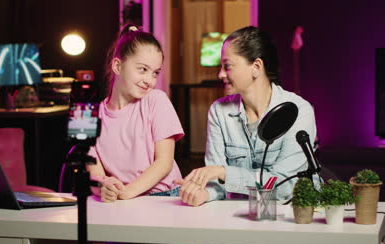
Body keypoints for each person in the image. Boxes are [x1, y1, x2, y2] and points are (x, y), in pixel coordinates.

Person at [178, 26, 318, 207]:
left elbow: (286, 186)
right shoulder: (219, 111)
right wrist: (203, 193)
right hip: (243, 216)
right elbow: (217, 183)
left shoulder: (299, 110)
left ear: (256, 67)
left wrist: (224, 172)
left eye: (227, 66)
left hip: (293, 214)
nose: (220, 74)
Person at [86, 24, 184, 203]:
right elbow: (93, 171)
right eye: (143, 69)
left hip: (164, 197)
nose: (149, 81)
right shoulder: (92, 115)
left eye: (155, 73)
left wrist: (127, 193)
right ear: (117, 66)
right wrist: (103, 188)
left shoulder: (156, 100)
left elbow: (164, 163)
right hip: (123, 199)